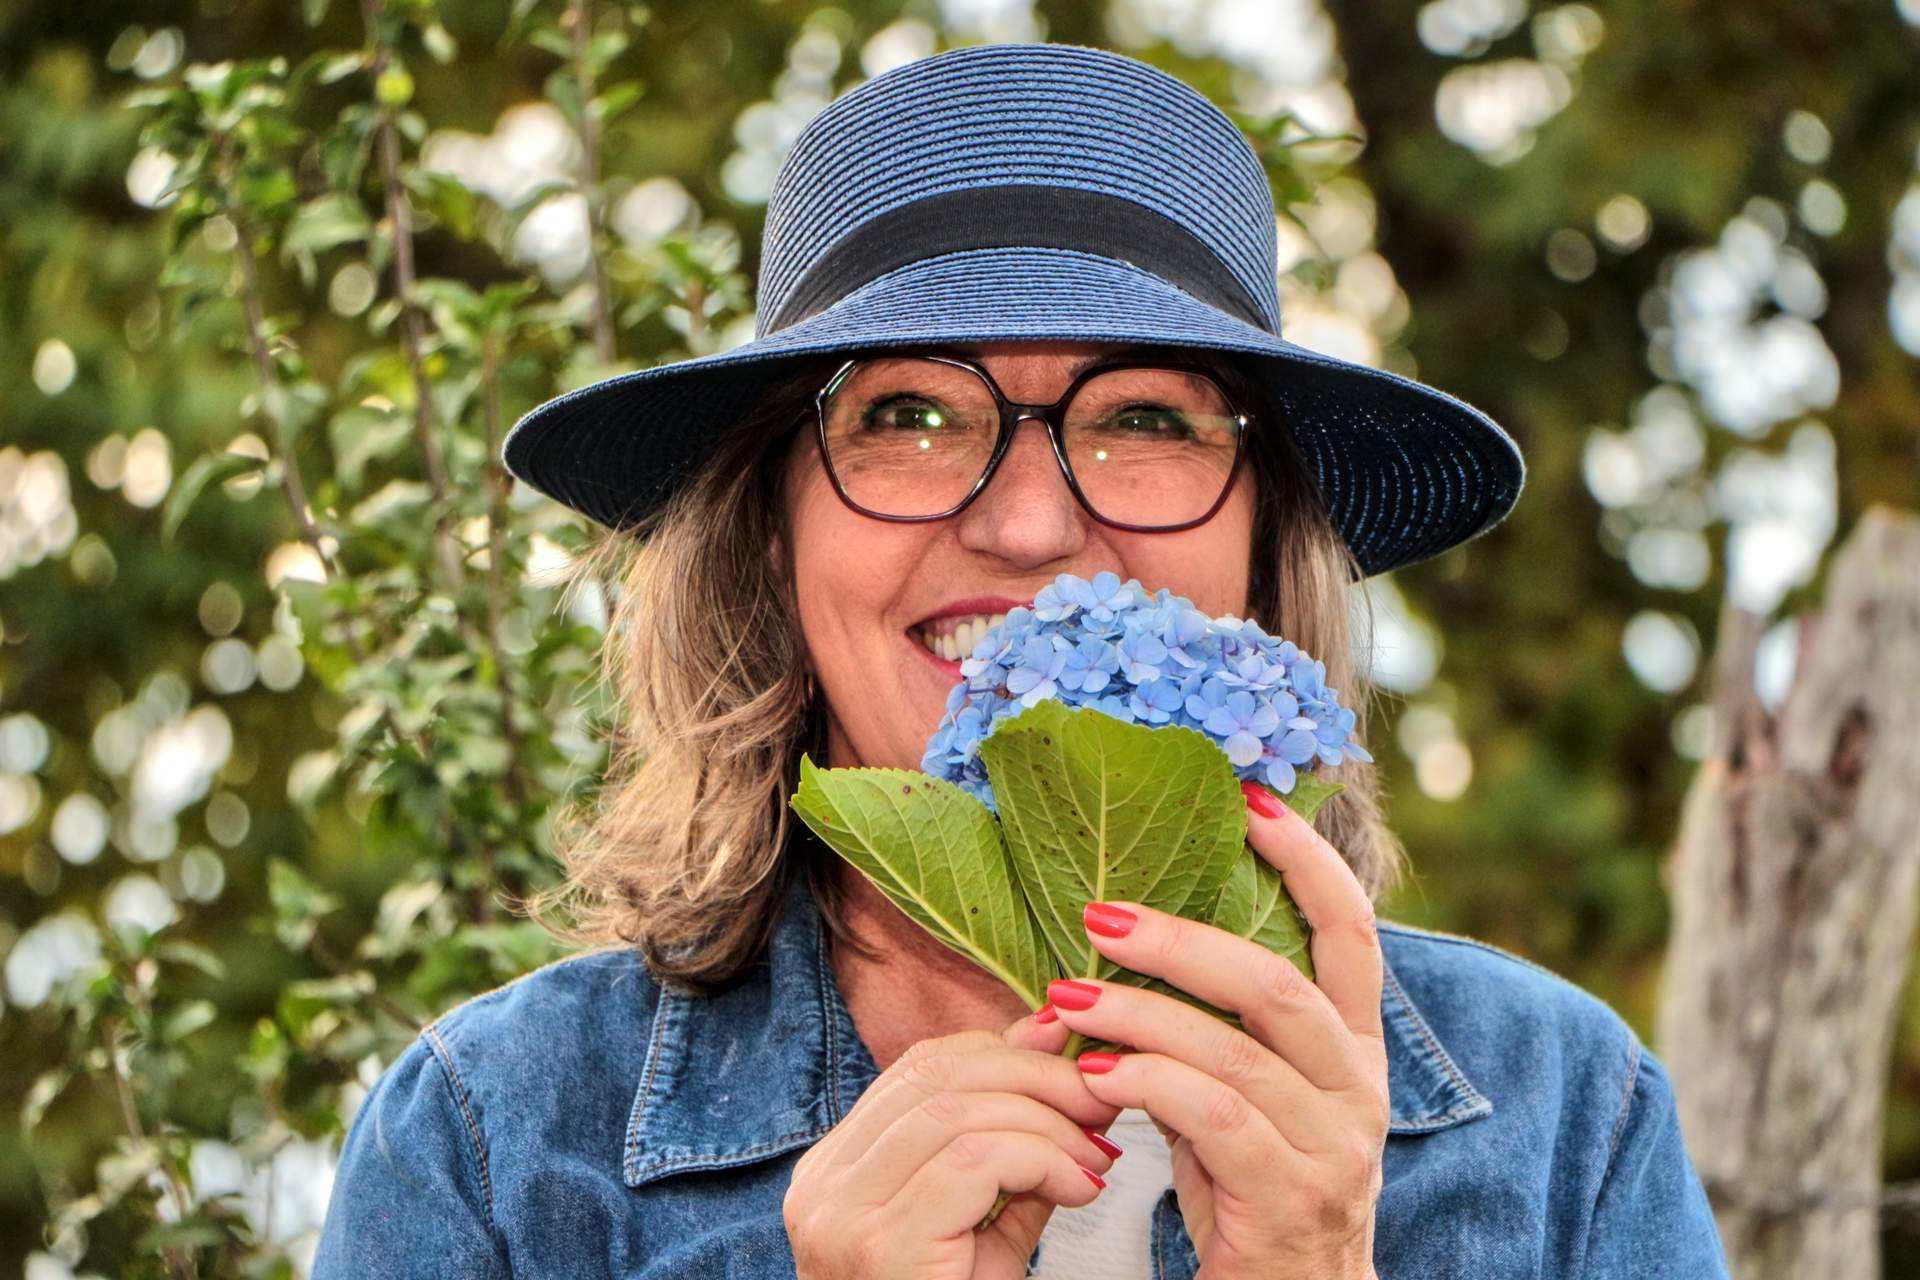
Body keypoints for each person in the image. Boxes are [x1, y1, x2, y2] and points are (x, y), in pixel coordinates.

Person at [313, 41, 1729, 1280]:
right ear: (770, 539)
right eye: (913, 415)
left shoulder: (1568, 1119)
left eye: (1148, 419)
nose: (1033, 522)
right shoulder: (492, 1148)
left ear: (1264, 538)